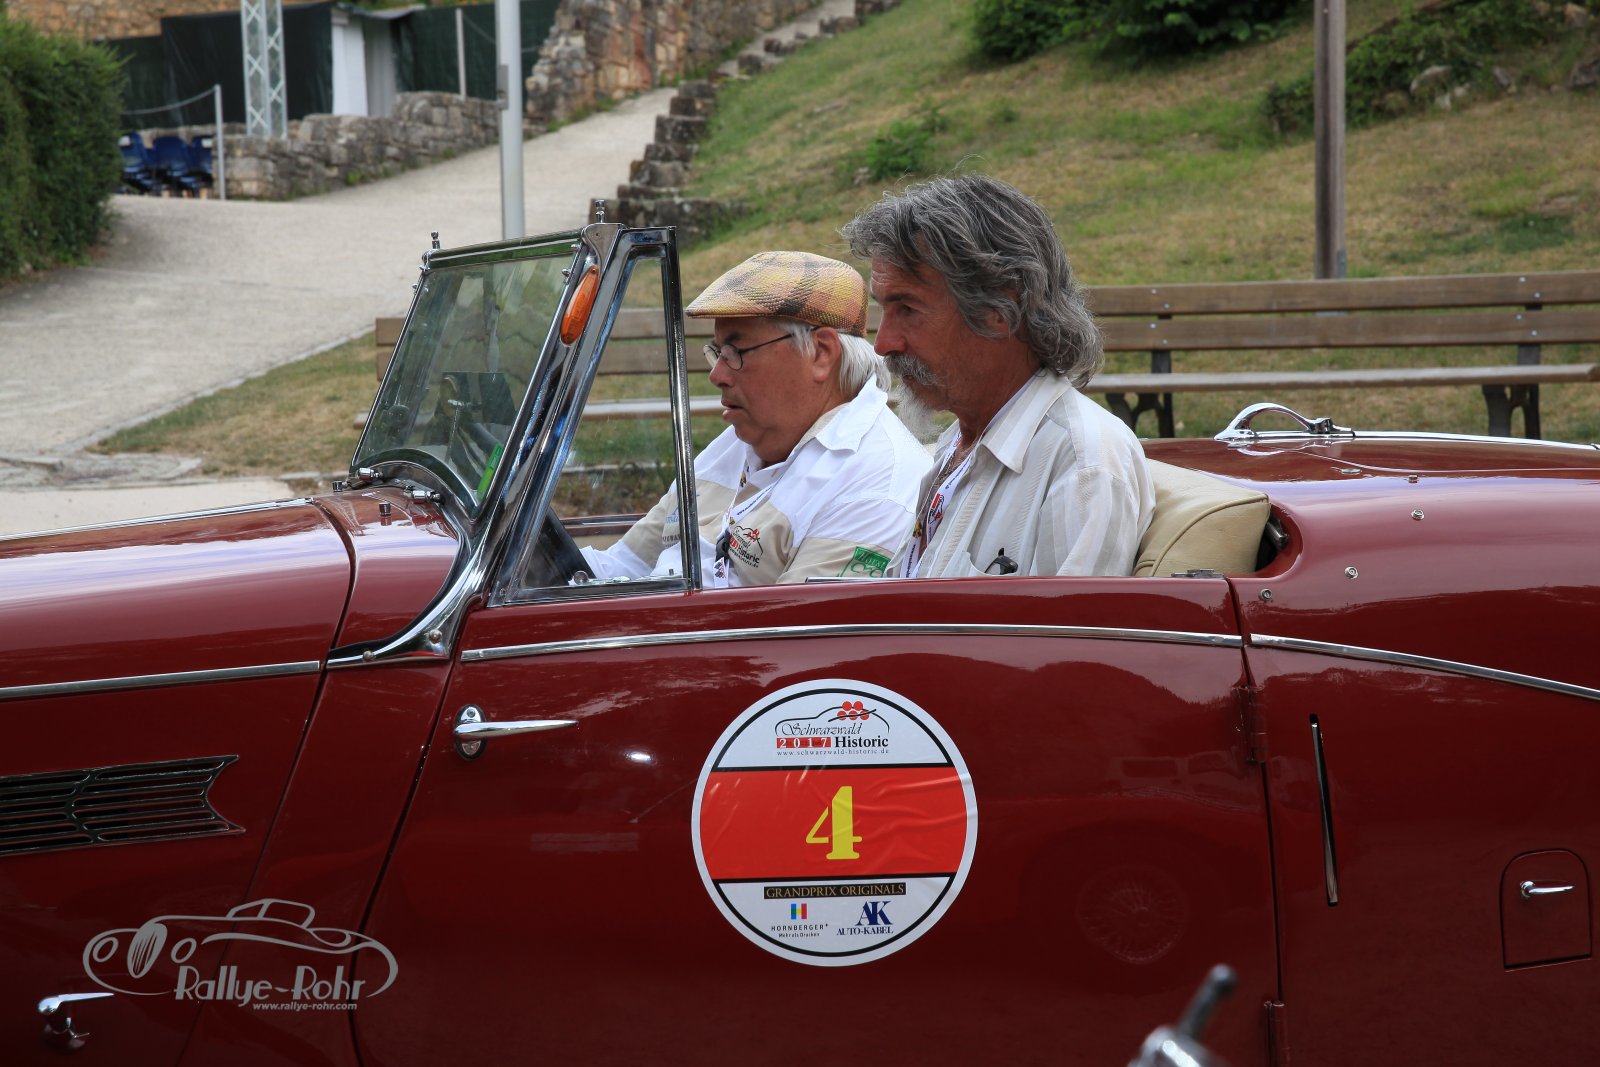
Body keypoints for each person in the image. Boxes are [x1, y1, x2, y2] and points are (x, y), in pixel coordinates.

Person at [840, 174, 1154, 578]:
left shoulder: (1081, 465)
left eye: (908, 310)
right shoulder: (961, 442)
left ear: (999, 310)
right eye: (884, 309)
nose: (883, 344)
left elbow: (1072, 621)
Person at [580, 250, 931, 587]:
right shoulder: (743, 439)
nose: (717, 375)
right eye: (717, 352)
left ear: (821, 353)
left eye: (736, 352)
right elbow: (618, 569)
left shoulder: (874, 487)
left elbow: (790, 626)